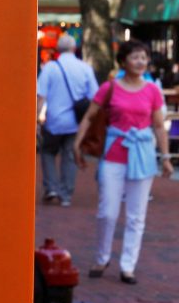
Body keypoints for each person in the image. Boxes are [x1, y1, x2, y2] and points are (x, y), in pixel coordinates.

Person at [74, 40, 174, 284]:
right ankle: (102, 257)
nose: (141, 62)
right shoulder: (110, 88)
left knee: (136, 215)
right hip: (113, 155)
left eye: (144, 57)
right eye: (135, 57)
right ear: (123, 61)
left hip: (143, 155)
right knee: (107, 212)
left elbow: (159, 126)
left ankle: (128, 265)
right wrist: (77, 144)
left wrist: (166, 158)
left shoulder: (152, 90)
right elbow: (90, 116)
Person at [36, 34, 98, 206]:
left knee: (48, 153)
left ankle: (51, 188)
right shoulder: (84, 68)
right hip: (76, 121)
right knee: (69, 156)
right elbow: (95, 96)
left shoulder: (50, 68)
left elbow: (41, 96)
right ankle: (66, 194)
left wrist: (35, 119)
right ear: (74, 48)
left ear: (57, 49)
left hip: (54, 120)